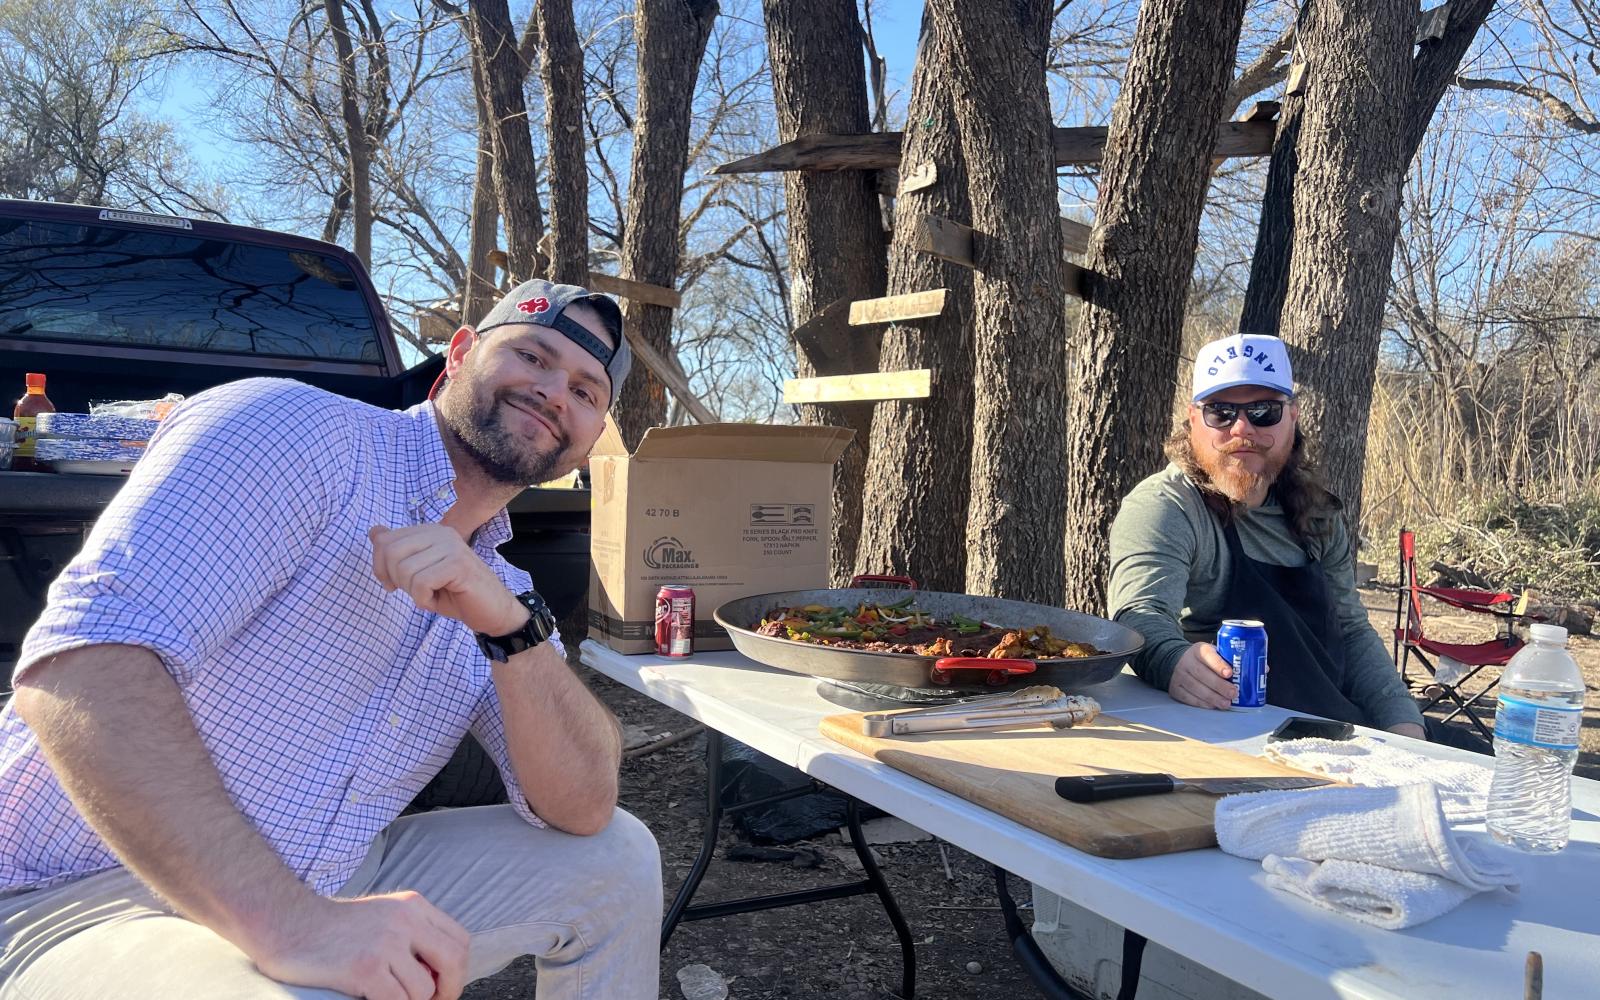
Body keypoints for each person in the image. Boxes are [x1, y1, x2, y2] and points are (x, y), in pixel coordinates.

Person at [0, 279, 663, 999]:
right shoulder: (294, 431)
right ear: (462, 352)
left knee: (618, 858)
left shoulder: (502, 591)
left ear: (592, 438)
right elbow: (79, 673)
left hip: (340, 873)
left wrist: (511, 629)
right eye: (532, 356)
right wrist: (294, 924)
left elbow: (584, 806)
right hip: (79, 896)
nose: (552, 392)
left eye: (586, 391)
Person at [1108, 332, 1482, 750]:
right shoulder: (1167, 506)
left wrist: (1405, 727)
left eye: (1264, 411)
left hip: (1334, 729)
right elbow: (1139, 614)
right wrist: (1173, 660)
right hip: (1235, 739)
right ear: (1194, 420)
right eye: (1221, 412)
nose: (1242, 428)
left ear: (1292, 417)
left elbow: (1352, 631)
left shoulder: (1317, 513)